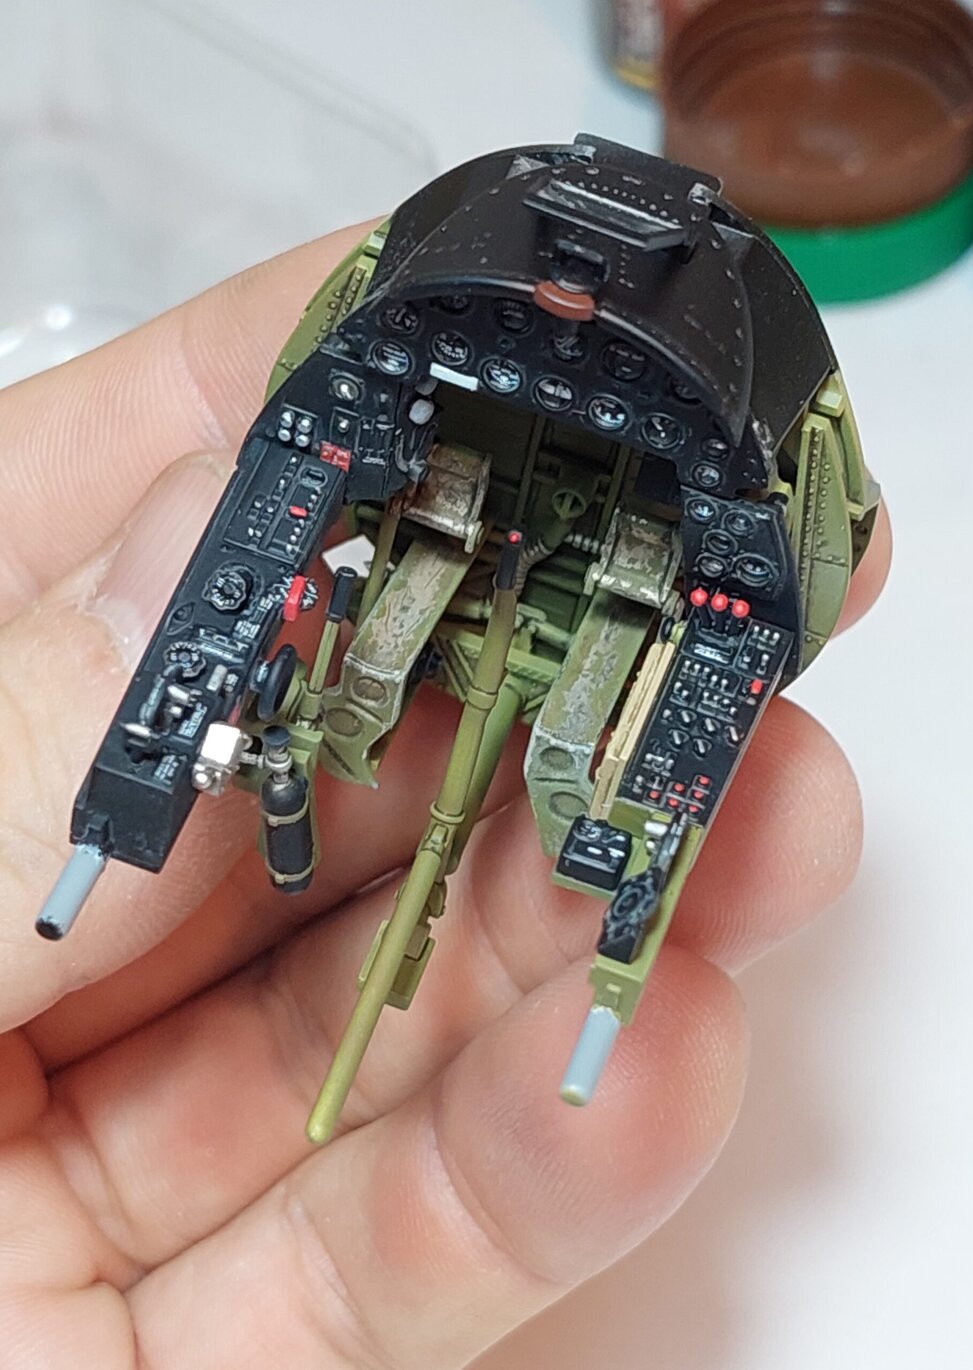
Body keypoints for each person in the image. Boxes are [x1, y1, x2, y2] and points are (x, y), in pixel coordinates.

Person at [0, 223, 891, 1368]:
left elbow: (773, 582)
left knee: (572, 764)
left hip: (594, 582)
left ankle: (595, 917)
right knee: (360, 695)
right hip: (456, 552)